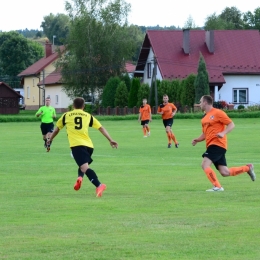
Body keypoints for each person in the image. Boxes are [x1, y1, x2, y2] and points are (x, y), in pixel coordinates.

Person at [47, 97, 118, 197]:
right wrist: (110, 140)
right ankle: (80, 177)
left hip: (77, 145)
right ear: (83, 107)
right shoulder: (88, 116)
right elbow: (101, 128)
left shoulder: (66, 115)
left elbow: (57, 130)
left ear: (73, 106)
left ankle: (99, 185)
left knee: (84, 167)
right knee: (83, 165)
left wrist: (50, 139)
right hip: (89, 146)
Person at [192, 95, 256, 192]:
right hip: (212, 145)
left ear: (205, 102)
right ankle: (247, 168)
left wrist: (223, 133)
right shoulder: (204, 118)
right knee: (224, 172)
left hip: (218, 144)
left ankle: (217, 186)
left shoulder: (218, 113)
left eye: (200, 102)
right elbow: (205, 133)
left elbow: (231, 124)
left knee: (205, 164)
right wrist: (197, 139)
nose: (199, 104)